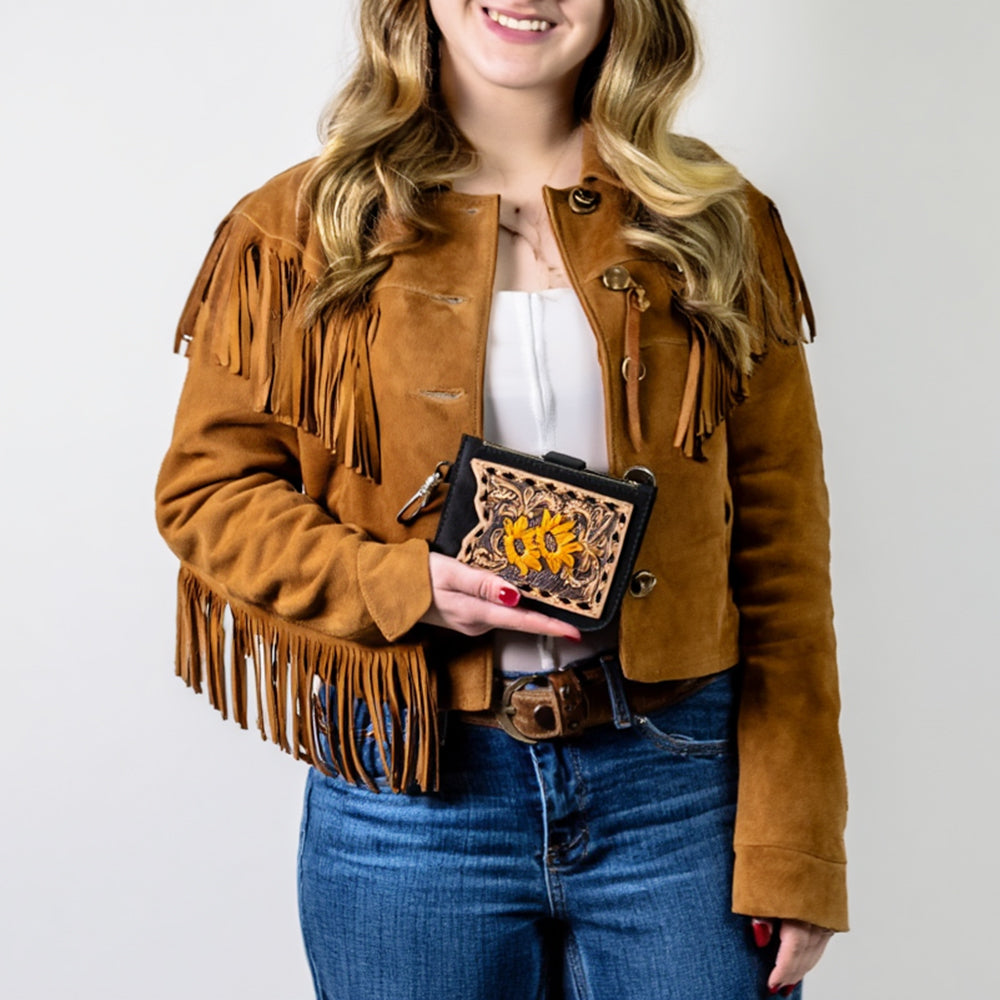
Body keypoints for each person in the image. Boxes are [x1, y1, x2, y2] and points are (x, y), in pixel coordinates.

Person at [155, 1, 848, 997]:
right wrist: (399, 583)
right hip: (411, 783)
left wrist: (797, 841)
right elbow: (208, 490)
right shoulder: (301, 228)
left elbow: (782, 552)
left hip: (679, 789)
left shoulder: (712, 219)